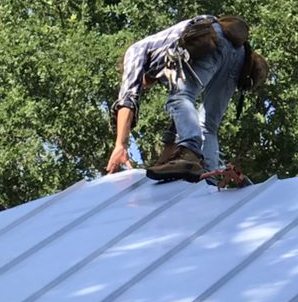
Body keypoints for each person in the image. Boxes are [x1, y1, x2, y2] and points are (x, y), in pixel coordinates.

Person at [106, 15, 268, 180]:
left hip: (213, 39)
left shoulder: (135, 53)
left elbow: (128, 99)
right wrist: (163, 164)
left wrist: (121, 145)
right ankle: (208, 178)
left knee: (180, 98)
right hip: (238, 55)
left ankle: (189, 151)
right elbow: (178, 125)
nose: (145, 87)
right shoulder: (165, 66)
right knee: (208, 124)